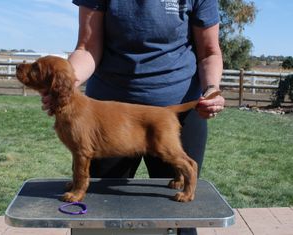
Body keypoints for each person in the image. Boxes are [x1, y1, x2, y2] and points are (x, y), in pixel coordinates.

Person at [42, 1, 225, 234]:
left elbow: (210, 51)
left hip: (175, 111)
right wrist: (66, 86)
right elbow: (87, 46)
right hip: (106, 118)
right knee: (100, 217)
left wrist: (211, 88)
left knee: (180, 220)